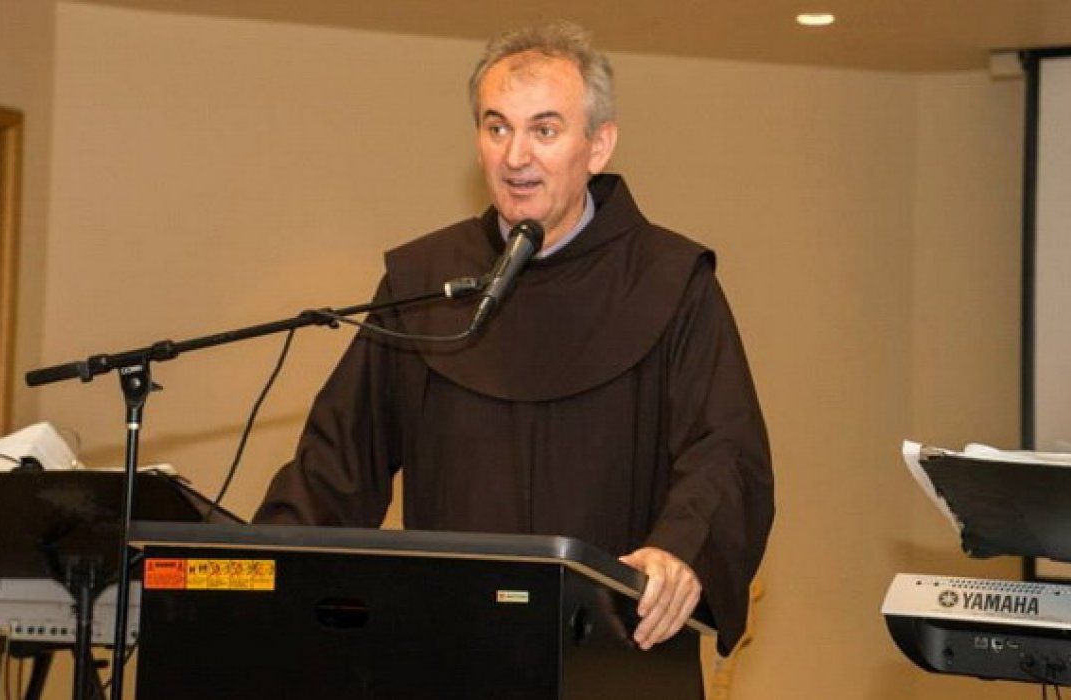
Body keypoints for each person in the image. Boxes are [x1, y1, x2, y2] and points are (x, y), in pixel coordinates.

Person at [254, 20, 774, 689]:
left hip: (617, 655)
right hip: (448, 655)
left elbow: (725, 453)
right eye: (496, 127)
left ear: (598, 145)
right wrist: (259, 576)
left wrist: (677, 553)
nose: (515, 155)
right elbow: (335, 463)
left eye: (544, 130)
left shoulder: (671, 282)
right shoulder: (426, 281)